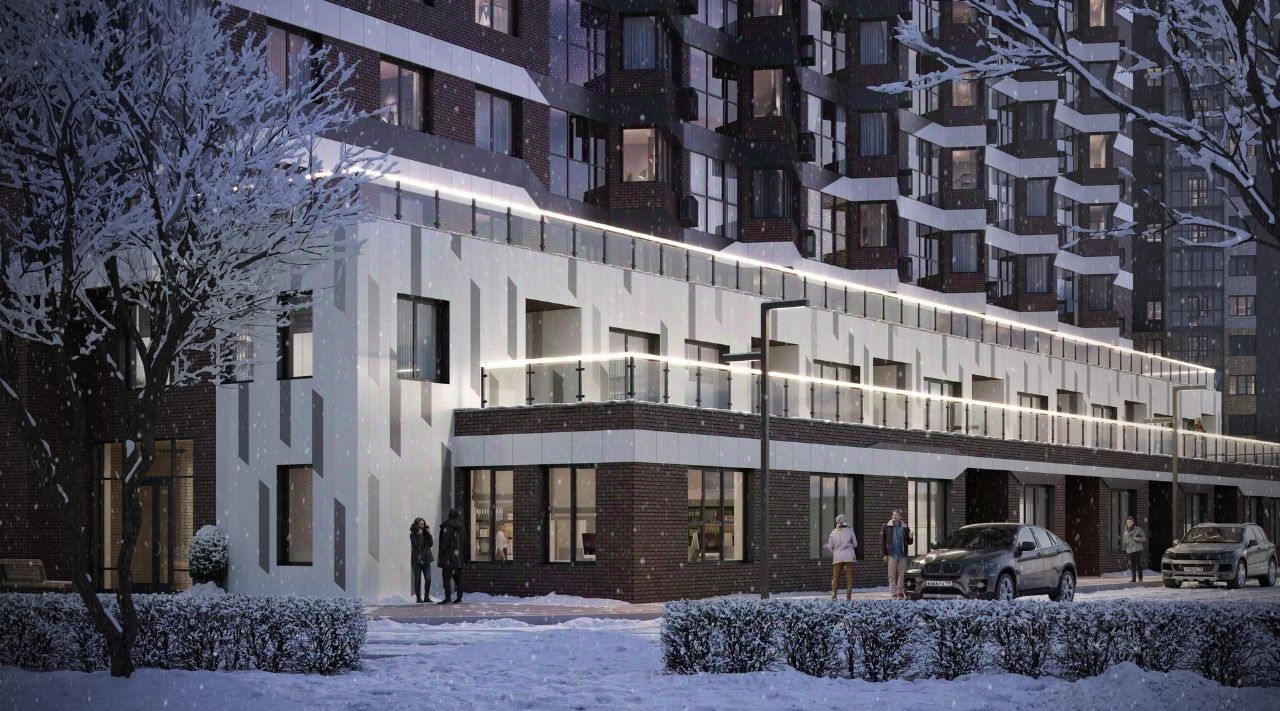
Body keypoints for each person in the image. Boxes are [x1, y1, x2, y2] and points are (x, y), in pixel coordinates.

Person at [824, 514, 858, 601]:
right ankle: (848, 598)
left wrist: (835, 553)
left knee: (835, 577)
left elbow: (830, 546)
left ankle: (834, 597)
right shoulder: (850, 531)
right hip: (849, 556)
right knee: (849, 577)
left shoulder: (833, 532)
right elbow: (855, 544)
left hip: (837, 557)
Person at [881, 509, 913, 600]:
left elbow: (909, 542)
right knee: (891, 574)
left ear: (900, 517)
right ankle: (893, 593)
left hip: (902, 554)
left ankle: (900, 592)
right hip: (892, 554)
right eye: (893, 515)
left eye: (896, 515)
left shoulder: (905, 527)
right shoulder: (886, 526)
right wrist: (884, 554)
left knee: (902, 574)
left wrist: (911, 538)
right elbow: (882, 541)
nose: (894, 516)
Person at [437, 508, 464, 604]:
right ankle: (459, 597)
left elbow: (445, 542)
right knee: (458, 579)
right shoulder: (461, 527)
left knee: (446, 578)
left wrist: (442, 553)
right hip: (459, 558)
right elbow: (464, 543)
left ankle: (448, 597)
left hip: (448, 558)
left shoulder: (448, 526)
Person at [410, 518, 434, 603]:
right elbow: (416, 544)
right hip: (416, 560)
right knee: (418, 579)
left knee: (428, 579)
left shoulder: (426, 533)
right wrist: (419, 535)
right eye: (421, 524)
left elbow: (431, 544)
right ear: (417, 524)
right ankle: (418, 598)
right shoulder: (413, 534)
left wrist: (429, 534)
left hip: (426, 560)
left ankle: (426, 597)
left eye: (423, 524)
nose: (423, 525)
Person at [1121, 515, 1147, 583]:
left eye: (1130, 522)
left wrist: (1137, 539)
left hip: (1137, 549)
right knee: (1132, 565)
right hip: (1130, 550)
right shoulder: (1125, 531)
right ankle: (1133, 579)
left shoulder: (1138, 529)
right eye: (1128, 522)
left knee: (1138, 564)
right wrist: (1126, 542)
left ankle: (1140, 578)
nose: (1129, 523)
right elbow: (1124, 540)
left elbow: (1144, 538)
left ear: (1133, 522)